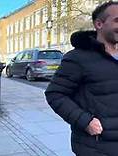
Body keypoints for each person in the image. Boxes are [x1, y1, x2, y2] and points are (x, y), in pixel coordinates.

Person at [45, 1, 118, 156]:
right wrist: (85, 122)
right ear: (99, 24)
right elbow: (55, 94)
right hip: (96, 147)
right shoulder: (77, 58)